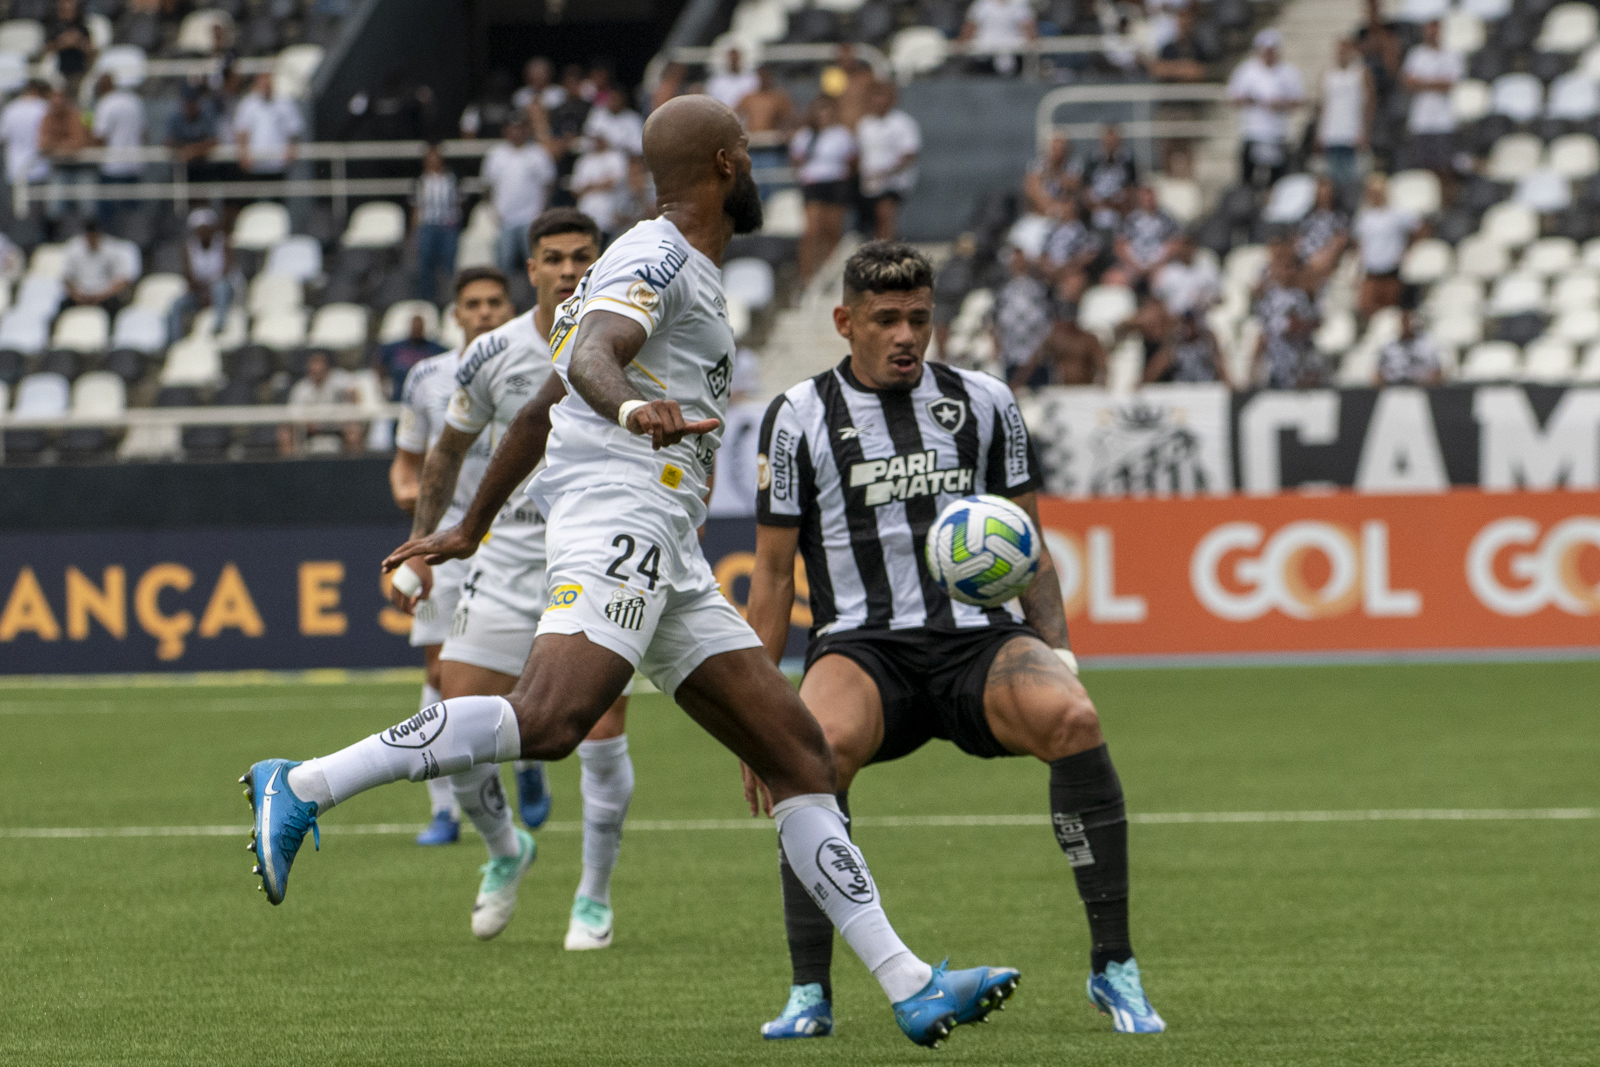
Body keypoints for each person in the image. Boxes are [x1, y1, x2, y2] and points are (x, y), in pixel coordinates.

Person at [253, 95, 1018, 1051]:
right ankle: (304, 783)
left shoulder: (663, 263)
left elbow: (539, 403)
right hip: (621, 508)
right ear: (727, 164)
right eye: (751, 154)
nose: (758, 169)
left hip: (666, 537)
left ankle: (910, 985)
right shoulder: (656, 255)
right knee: (550, 720)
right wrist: (630, 410)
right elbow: (592, 359)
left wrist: (469, 526)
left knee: (799, 755)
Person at [746, 240, 1162, 1040]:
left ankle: (1114, 966)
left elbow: (1030, 543)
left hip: (979, 642)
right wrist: (757, 709)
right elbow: (769, 575)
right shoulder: (797, 415)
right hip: (862, 645)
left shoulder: (985, 401)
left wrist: (1060, 653)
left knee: (1074, 717)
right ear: (844, 321)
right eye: (886, 319)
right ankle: (809, 992)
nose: (906, 335)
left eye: (919, 318)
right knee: (810, 755)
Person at [389, 211, 633, 947]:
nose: (568, 269)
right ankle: (505, 848)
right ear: (531, 269)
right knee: (453, 728)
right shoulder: (493, 353)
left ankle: (593, 896)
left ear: (599, 264)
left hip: (595, 560)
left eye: (581, 256)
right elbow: (445, 451)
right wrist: (421, 546)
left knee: (602, 736)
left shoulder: (636, 339)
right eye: (553, 258)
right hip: (505, 559)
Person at [389, 267, 518, 848]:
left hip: (523, 536)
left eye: (495, 302)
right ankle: (444, 809)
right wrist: (411, 502)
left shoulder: (539, 363)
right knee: (441, 672)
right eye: (474, 303)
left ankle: (528, 763)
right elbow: (407, 460)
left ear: (510, 308)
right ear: (457, 315)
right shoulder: (426, 378)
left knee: (522, 671)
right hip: (448, 537)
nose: (485, 311)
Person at [790, 95, 856, 286]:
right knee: (811, 231)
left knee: (832, 230)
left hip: (835, 183)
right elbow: (796, 159)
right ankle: (807, 276)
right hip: (813, 184)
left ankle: (831, 274)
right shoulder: (805, 135)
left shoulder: (842, 134)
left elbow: (852, 161)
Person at [1227, 29, 1305, 187]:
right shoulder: (1247, 70)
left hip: (1278, 133)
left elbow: (1299, 100)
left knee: (1278, 180)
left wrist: (1281, 104)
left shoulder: (1288, 72)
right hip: (1253, 132)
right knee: (1248, 180)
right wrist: (1250, 100)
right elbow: (1233, 97)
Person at [481, 117, 556, 275]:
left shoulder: (538, 153)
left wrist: (542, 212)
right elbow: (487, 186)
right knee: (503, 263)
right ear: (506, 131)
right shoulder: (496, 155)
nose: (516, 133)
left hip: (531, 218)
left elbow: (548, 184)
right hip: (504, 219)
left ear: (526, 130)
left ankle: (538, 292)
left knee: (535, 262)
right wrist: (492, 212)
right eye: (512, 128)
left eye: (519, 128)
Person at [855, 81, 921, 240]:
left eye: (882, 96)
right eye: (875, 96)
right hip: (868, 184)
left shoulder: (903, 123)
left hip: (893, 182)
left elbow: (909, 154)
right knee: (873, 224)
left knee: (884, 215)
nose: (879, 100)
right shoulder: (864, 124)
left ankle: (886, 249)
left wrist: (887, 173)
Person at [1354, 173, 1420, 325]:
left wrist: (1409, 249)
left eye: (1378, 192)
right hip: (1370, 270)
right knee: (1367, 308)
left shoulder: (1397, 213)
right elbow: (1360, 242)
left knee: (1391, 312)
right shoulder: (1364, 216)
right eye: (1372, 192)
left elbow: (1419, 228)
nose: (1375, 196)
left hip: (1391, 270)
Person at [1399, 20, 1462, 179]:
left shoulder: (1451, 54)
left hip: (1444, 120)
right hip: (1421, 121)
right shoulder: (1416, 54)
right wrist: (1436, 82)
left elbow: (1449, 85)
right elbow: (1408, 83)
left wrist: (1421, 83)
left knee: (1445, 167)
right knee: (1423, 169)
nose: (1431, 34)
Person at [1252, 249, 1321, 388]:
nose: (1288, 273)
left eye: (1291, 268)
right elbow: (1264, 332)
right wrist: (1254, 364)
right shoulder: (1269, 298)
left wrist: (1299, 325)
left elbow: (1313, 323)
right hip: (1276, 361)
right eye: (1283, 268)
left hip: (1300, 359)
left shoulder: (1303, 296)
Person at [167, 208, 235, 342]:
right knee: (177, 304)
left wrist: (209, 292)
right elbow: (189, 276)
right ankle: (175, 341)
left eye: (206, 229)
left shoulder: (223, 243)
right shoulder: (189, 247)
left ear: (212, 229)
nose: (203, 233)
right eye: (199, 230)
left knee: (220, 287)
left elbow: (226, 273)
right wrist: (202, 293)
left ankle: (218, 329)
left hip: (223, 292)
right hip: (200, 292)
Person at [1009, 295, 1108, 387]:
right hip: (1061, 388)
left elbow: (1102, 364)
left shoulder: (1088, 340)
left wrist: (1101, 383)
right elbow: (1033, 362)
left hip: (1085, 389)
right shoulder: (1055, 339)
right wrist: (1017, 382)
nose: (1060, 324)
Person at [90, 73, 145, 232]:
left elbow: (100, 138)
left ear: (103, 87)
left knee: (108, 217)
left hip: (112, 167)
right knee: (132, 213)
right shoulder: (134, 101)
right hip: (134, 165)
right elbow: (143, 134)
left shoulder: (106, 103)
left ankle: (111, 239)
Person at [279, 349, 362, 454]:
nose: (317, 368)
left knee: (354, 431)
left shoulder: (338, 379)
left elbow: (354, 391)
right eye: (314, 364)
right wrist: (309, 423)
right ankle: (292, 463)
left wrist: (347, 410)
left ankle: (354, 463)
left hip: (337, 427)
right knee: (285, 432)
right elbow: (294, 414)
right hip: (311, 430)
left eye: (320, 364)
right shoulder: (302, 388)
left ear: (327, 367)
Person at [1317, 39, 1373, 193]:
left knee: (1353, 182)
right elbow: (1324, 106)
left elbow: (1369, 105)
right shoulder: (1328, 75)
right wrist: (1320, 133)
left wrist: (1366, 132)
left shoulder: (1360, 73)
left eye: (1344, 51)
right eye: (1339, 51)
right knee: (1332, 180)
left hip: (1352, 135)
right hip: (1332, 135)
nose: (1341, 55)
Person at [412, 143, 461, 303]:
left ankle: (451, 299)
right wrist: (414, 231)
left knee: (449, 263)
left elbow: (459, 202)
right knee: (425, 262)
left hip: (448, 225)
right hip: (428, 225)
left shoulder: (451, 179)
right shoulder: (421, 181)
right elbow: (416, 207)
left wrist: (457, 222)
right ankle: (427, 299)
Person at [233, 73, 305, 178]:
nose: (266, 83)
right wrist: (243, 155)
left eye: (268, 78)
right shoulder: (247, 104)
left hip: (279, 164)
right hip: (254, 165)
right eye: (263, 79)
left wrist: (291, 150)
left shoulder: (285, 102)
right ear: (257, 81)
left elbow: (294, 130)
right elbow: (241, 132)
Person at [38, 85, 91, 222]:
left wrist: (55, 146)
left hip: (80, 166)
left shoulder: (74, 115)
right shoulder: (47, 117)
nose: (57, 101)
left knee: (88, 207)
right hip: (59, 168)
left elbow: (77, 143)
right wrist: (62, 146)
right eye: (54, 97)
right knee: (53, 207)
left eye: (60, 97)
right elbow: (43, 144)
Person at [1109, 185, 1180, 287]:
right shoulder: (1128, 219)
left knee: (1168, 280)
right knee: (1114, 279)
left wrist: (1156, 264)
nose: (1148, 201)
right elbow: (1119, 245)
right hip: (1133, 263)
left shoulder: (1167, 219)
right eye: (1144, 198)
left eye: (1150, 198)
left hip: (1159, 263)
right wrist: (1135, 265)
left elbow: (1176, 244)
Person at [1069, 125, 1138, 228]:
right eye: (1108, 140)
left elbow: (1132, 188)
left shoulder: (1127, 162)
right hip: (1095, 208)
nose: (1110, 143)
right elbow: (1085, 188)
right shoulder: (1091, 161)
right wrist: (1097, 205)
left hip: (1120, 209)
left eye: (1113, 140)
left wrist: (1116, 204)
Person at [62, 218, 134, 310]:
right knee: (62, 306)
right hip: (80, 295)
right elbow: (66, 278)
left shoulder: (113, 249)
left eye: (95, 237)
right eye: (90, 237)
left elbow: (123, 279)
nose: (92, 240)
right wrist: (77, 296)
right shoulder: (74, 247)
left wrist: (103, 296)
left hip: (105, 296)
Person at [1145, 310, 1230, 384]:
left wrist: (1229, 384)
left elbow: (1219, 363)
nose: (1188, 327)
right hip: (1183, 388)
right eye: (1186, 323)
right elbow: (1159, 364)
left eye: (1191, 323)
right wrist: (1143, 383)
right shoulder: (1176, 341)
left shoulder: (1207, 340)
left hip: (1205, 386)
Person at [1296, 177, 1351, 290]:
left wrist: (1322, 260)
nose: (1323, 197)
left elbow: (1340, 242)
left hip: (1327, 263)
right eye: (1320, 193)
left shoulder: (1339, 217)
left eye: (1326, 194)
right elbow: (1298, 239)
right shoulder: (1307, 217)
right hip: (1306, 262)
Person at [572, 130, 628, 238]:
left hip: (609, 214)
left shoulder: (615, 157)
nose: (597, 142)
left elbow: (614, 184)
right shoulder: (584, 160)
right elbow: (575, 191)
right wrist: (600, 184)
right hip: (586, 211)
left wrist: (589, 187)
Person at [1, 81, 51, 201]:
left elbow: (3, 136)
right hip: (39, 163)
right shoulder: (44, 107)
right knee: (39, 200)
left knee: (18, 202)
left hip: (16, 164)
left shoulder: (11, 109)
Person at [1150, 232, 1219, 318]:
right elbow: (1156, 299)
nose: (1185, 250)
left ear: (1194, 247)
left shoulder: (1207, 265)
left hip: (1207, 314)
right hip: (1177, 318)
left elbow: (1219, 294)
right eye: (1182, 246)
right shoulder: (1168, 272)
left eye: (1188, 245)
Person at [377, 315, 446, 401]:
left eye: (419, 327)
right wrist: (383, 387)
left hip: (426, 398)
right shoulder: (396, 347)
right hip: (399, 399)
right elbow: (380, 364)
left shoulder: (434, 349)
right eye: (415, 327)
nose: (417, 330)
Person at [961, 0, 1038, 76]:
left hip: (1013, 50)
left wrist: (1032, 44)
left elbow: (1029, 29)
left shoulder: (1020, 4)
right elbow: (969, 28)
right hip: (985, 51)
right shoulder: (982, 4)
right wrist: (962, 45)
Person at [165, 84, 223, 184]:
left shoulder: (206, 115)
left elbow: (214, 141)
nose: (190, 106)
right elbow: (168, 141)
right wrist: (184, 150)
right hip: (181, 169)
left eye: (193, 102)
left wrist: (193, 151)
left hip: (203, 167)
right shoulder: (175, 117)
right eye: (188, 102)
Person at [1375, 304, 1443, 385]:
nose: (1406, 325)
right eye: (1403, 321)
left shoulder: (1428, 345)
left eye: (1408, 320)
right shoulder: (1389, 346)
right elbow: (1377, 373)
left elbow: (1438, 373)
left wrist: (1426, 382)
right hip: (1394, 387)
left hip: (1420, 388)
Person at [1025, 134, 1073, 216]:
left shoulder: (1071, 169)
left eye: (1061, 149)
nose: (1058, 153)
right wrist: (1050, 208)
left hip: (1063, 215)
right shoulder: (1037, 168)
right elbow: (1034, 193)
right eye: (1055, 149)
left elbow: (1072, 198)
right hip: (1040, 215)